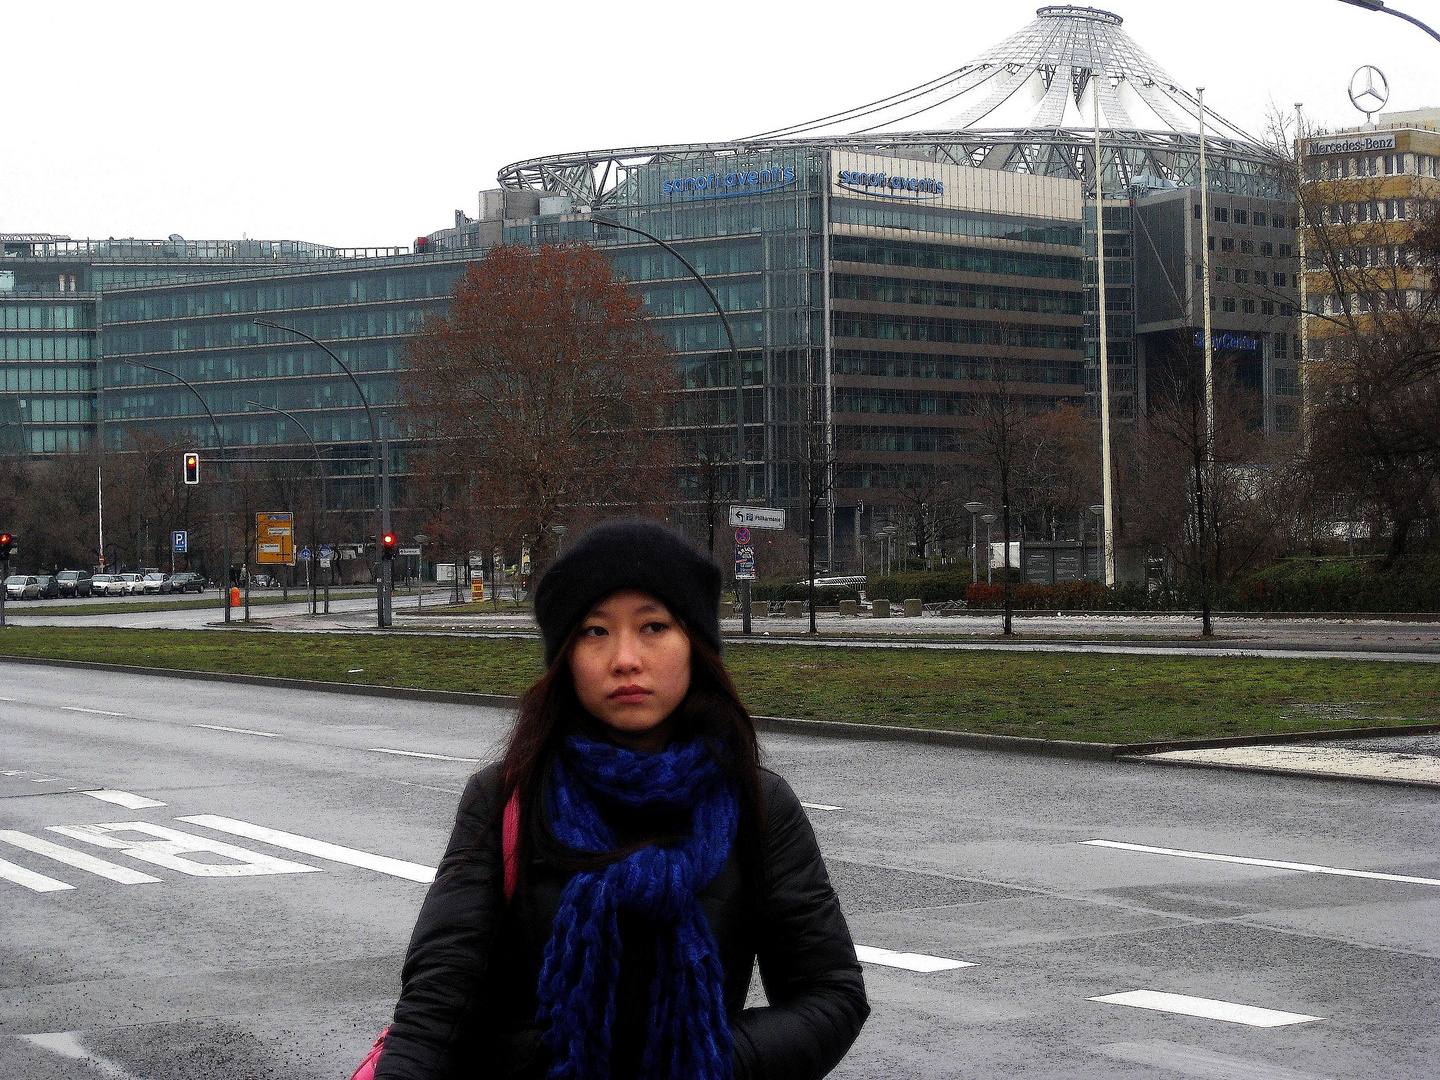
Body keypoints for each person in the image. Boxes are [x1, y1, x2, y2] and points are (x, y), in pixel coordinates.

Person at [375, 519, 869, 1080]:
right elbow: (437, 1003)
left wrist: (705, 1058)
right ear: (566, 657)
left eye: (654, 627)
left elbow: (831, 994)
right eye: (595, 631)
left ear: (695, 647)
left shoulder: (758, 802)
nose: (625, 659)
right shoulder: (505, 799)